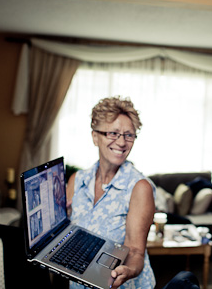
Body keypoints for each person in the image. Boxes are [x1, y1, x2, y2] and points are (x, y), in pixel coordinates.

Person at [66, 96, 156, 289]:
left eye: (129, 135)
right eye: (113, 133)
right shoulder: (77, 181)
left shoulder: (139, 188)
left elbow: (136, 251)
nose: (122, 142)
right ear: (95, 137)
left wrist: (129, 270)